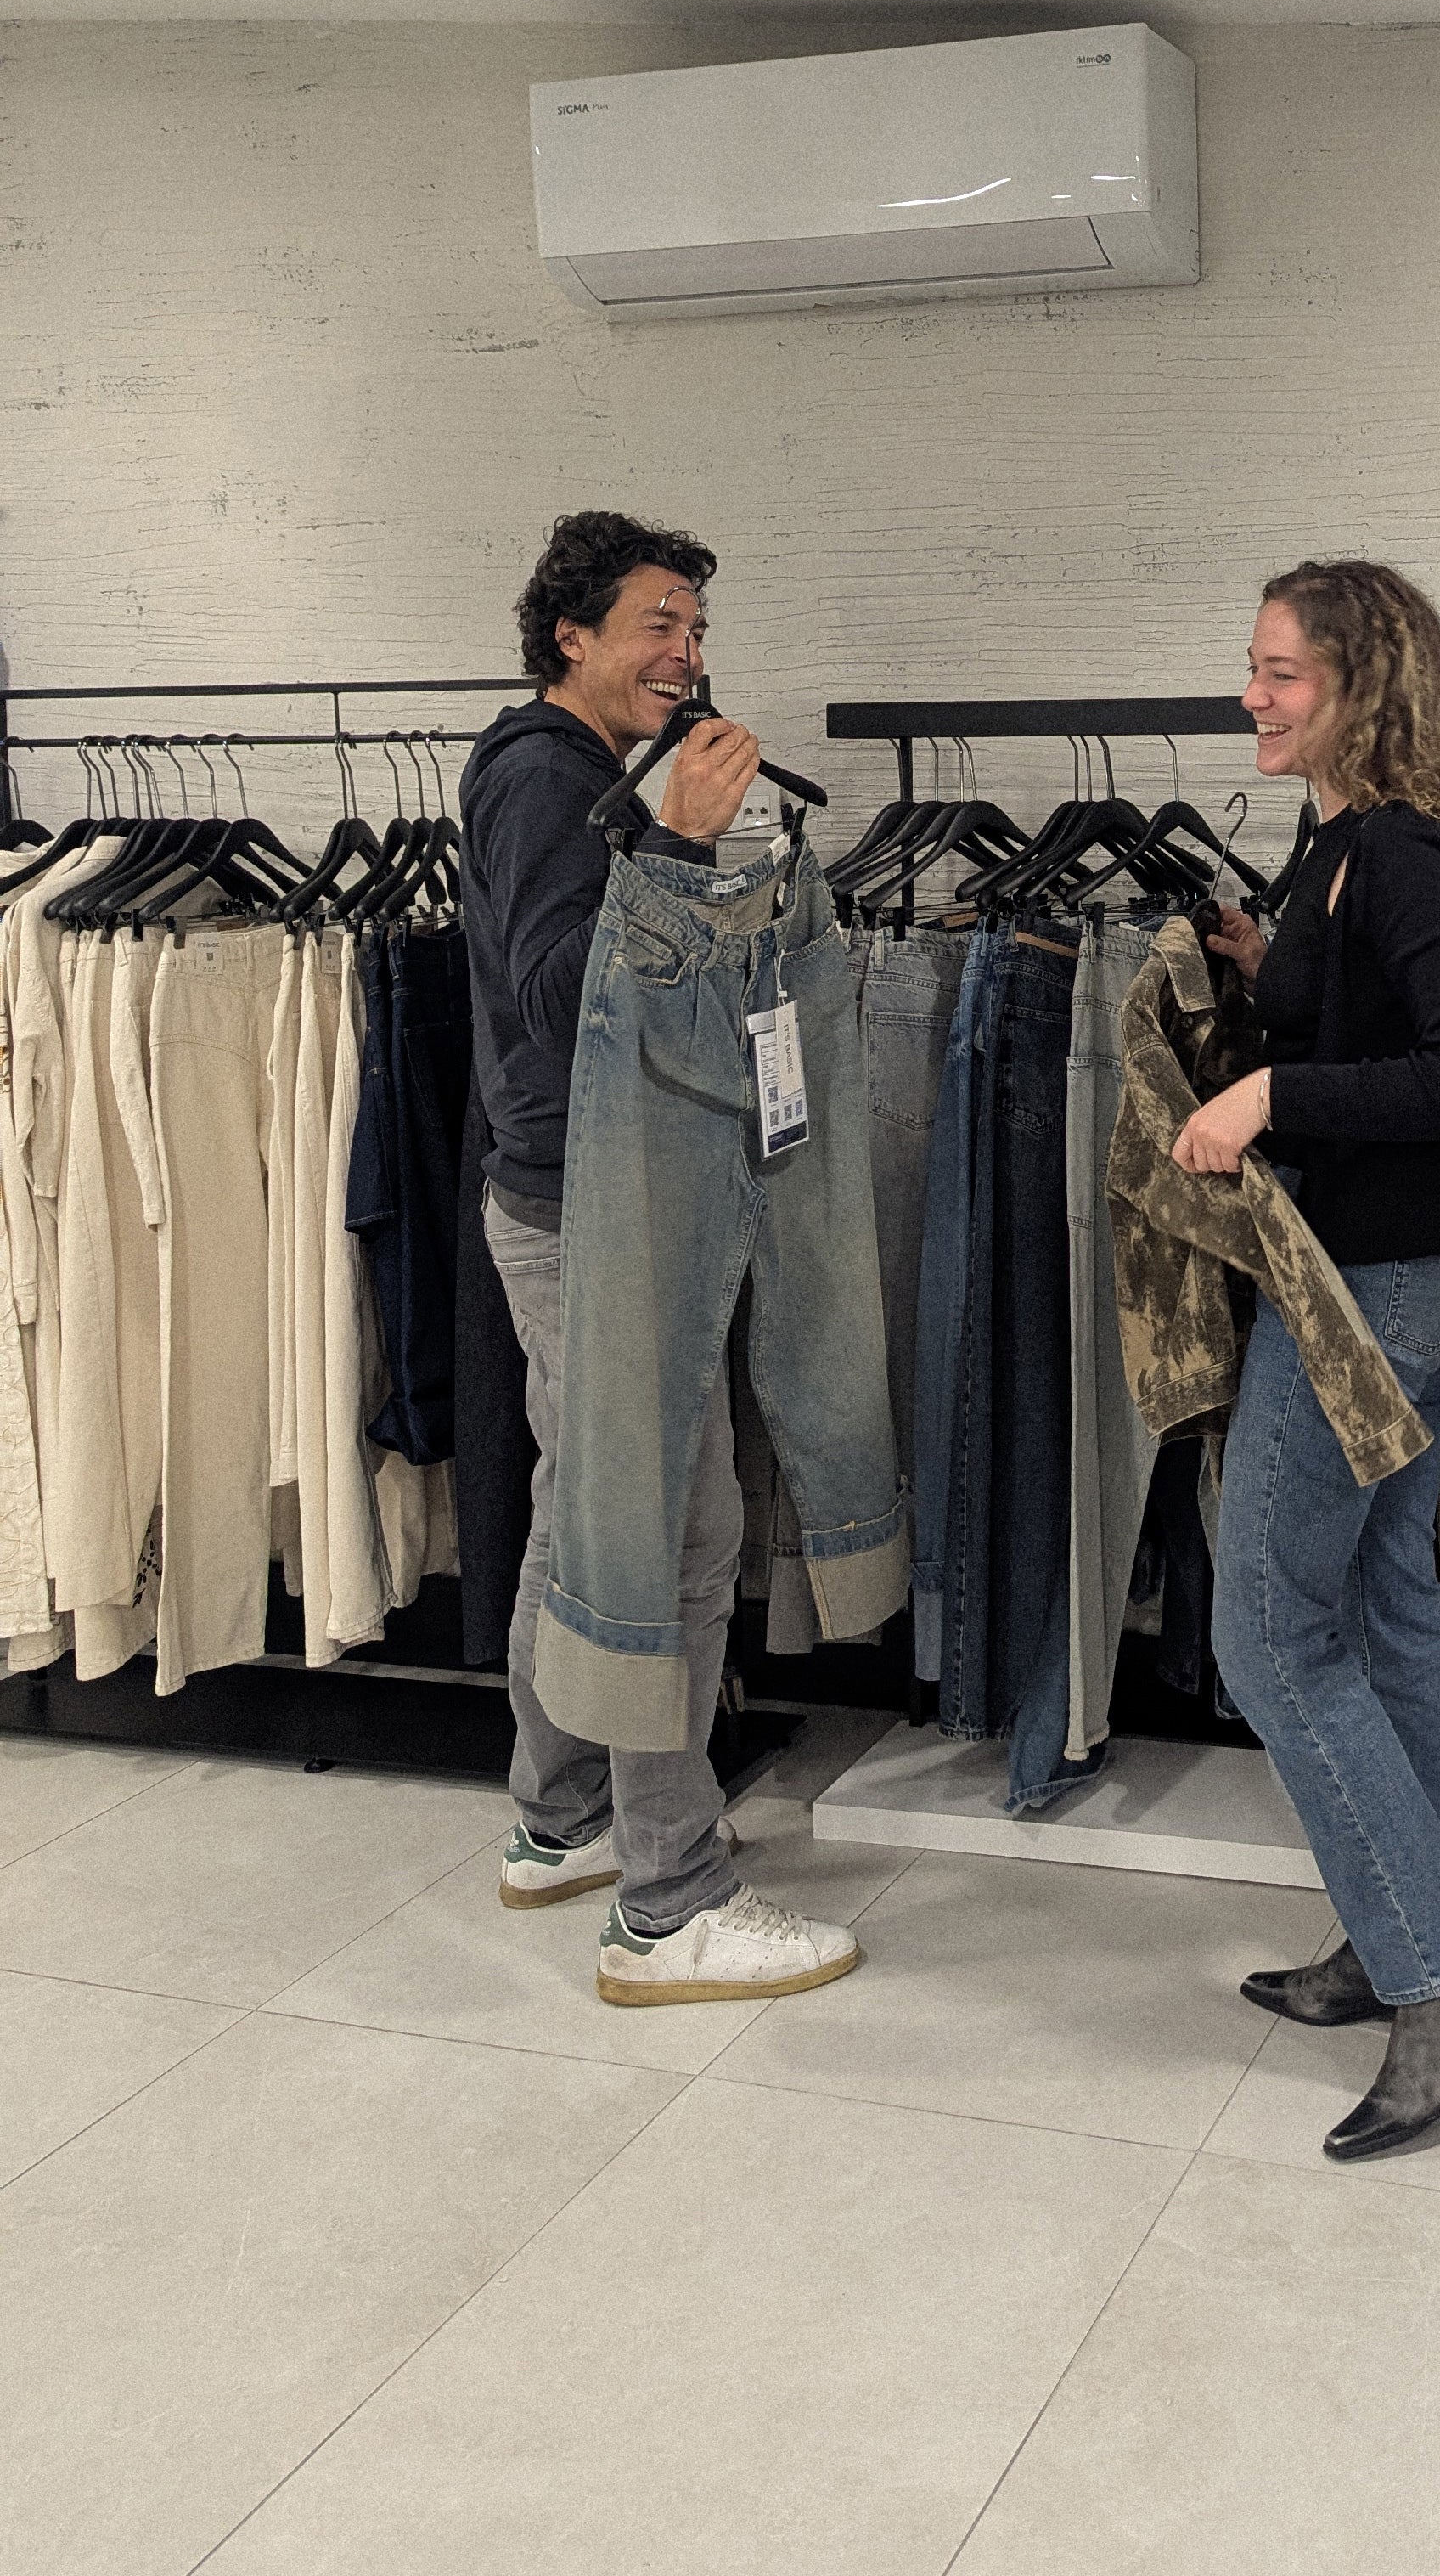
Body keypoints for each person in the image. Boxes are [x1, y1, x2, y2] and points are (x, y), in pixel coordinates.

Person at [462, 511, 858, 2006]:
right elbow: (562, 994)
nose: (686, 654)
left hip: (586, 1200)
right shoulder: (541, 778)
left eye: (696, 629)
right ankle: (669, 1902)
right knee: (672, 1539)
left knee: (590, 1523)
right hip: (587, 1215)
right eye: (657, 625)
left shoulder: (582, 773)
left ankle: (561, 1820)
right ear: (570, 637)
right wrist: (679, 843)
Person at [1175, 559, 1440, 2159]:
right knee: (1386, 1600)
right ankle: (1409, 1926)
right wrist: (1269, 975)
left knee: (1266, 1628)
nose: (1253, 696)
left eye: (1283, 674)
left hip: (1382, 1282)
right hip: (1380, 1263)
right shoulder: (1335, 841)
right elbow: (1378, 1018)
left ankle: (1439, 1979)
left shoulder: (1404, 854)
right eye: (1253, 667)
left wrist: (1272, 1095)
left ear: (1361, 688)